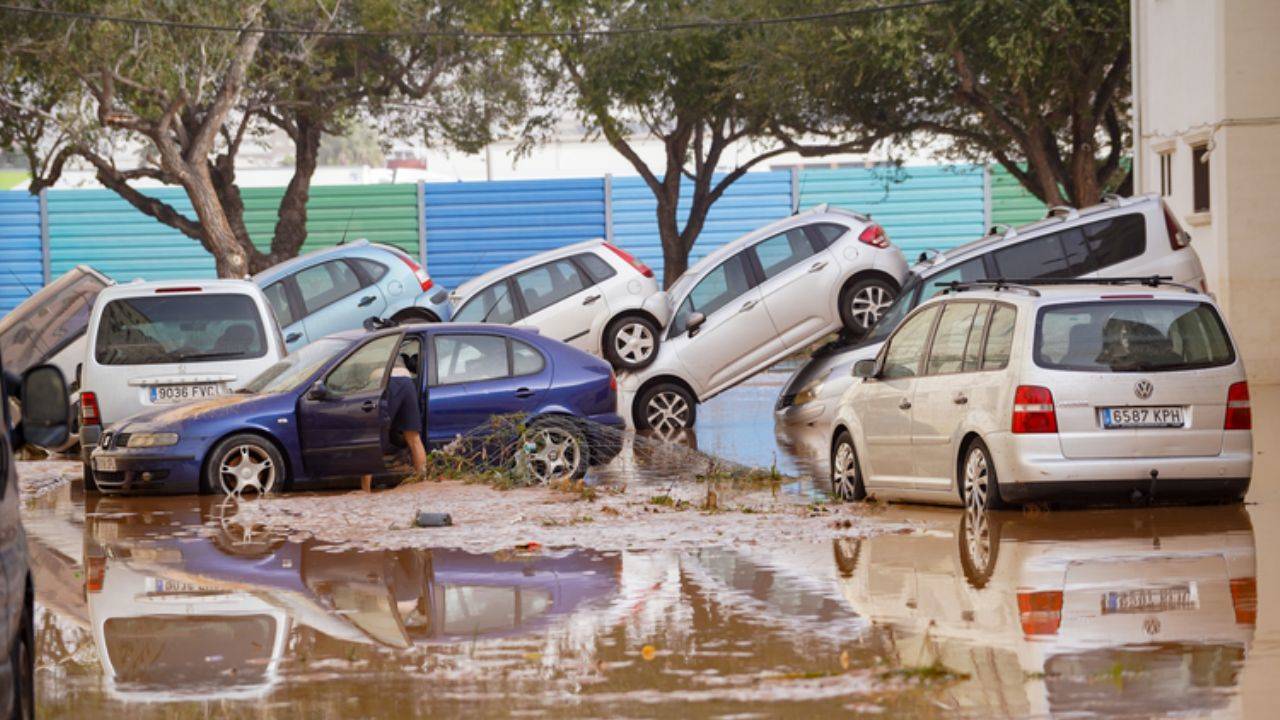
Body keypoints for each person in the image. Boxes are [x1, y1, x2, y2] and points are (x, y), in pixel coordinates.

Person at [362, 354, 427, 492]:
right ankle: (423, 485)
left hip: (385, 379)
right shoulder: (393, 340)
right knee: (414, 438)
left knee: (372, 437)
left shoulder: (365, 341)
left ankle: (364, 492)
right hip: (406, 379)